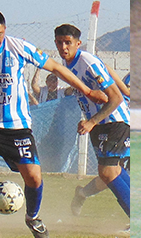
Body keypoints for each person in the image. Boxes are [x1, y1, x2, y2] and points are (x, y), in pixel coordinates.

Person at [0, 8, 107, 238]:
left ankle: (32, 218)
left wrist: (88, 90)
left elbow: (56, 68)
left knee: (33, 176)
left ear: (5, 30)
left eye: (0, 33)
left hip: (16, 126)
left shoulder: (18, 47)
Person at [54, 24, 130, 219]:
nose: (64, 47)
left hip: (114, 120)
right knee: (110, 172)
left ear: (78, 44)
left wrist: (92, 121)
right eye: (60, 42)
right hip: (98, 124)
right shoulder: (68, 66)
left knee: (109, 172)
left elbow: (115, 98)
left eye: (68, 43)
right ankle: (82, 193)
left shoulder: (86, 61)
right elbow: (106, 70)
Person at [69, 67, 130, 217]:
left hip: (128, 126)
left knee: (111, 173)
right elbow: (125, 92)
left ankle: (82, 193)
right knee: (110, 172)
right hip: (119, 124)